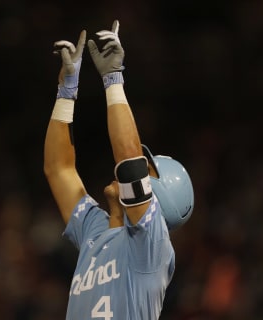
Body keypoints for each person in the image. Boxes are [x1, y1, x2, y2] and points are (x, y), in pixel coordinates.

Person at [44, 19, 194, 320]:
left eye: (146, 168)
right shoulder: (95, 229)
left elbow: (128, 160)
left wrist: (113, 81)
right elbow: (58, 169)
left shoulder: (150, 244)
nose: (136, 165)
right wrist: (65, 92)